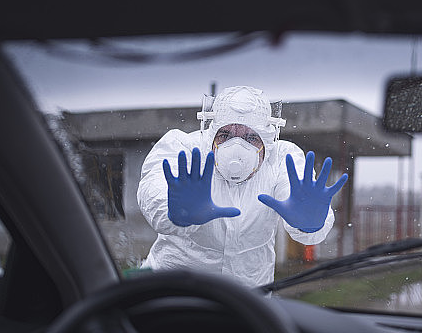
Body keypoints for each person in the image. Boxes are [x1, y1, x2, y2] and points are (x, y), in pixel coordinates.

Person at [137, 85, 347, 287]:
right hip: (172, 297)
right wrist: (173, 211)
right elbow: (152, 192)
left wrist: (309, 222)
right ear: (211, 133)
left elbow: (300, 199)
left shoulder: (283, 159)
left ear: (267, 139)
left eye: (250, 137)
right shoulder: (182, 148)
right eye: (225, 135)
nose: (237, 147)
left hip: (246, 304)